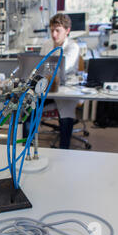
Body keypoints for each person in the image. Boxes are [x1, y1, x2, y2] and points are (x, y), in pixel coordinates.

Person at [40, 13, 80, 149]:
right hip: (48, 87)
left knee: (66, 117)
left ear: (67, 31)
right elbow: (39, 66)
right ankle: (27, 146)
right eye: (52, 30)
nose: (54, 34)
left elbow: (62, 67)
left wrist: (46, 71)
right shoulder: (46, 45)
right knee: (29, 107)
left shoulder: (73, 47)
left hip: (66, 88)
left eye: (58, 30)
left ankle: (64, 151)